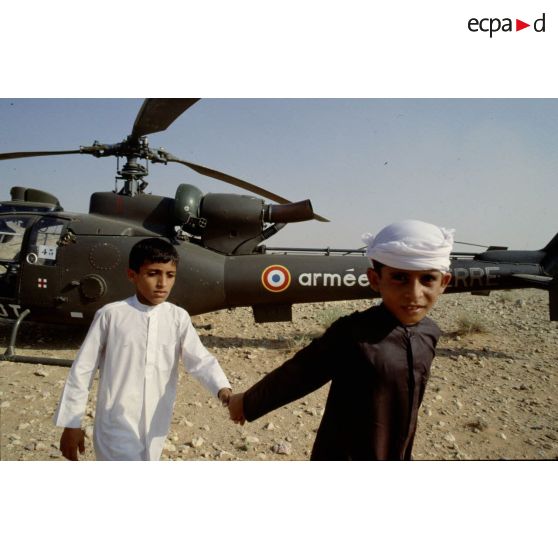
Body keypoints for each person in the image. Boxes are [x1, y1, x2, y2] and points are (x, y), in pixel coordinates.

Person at [228, 220, 454, 460]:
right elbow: (300, 373)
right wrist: (248, 402)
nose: (414, 293)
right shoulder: (353, 333)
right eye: (400, 278)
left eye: (427, 279)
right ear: (375, 279)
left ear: (444, 283)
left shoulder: (430, 332)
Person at [53, 238, 232, 461]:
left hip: (156, 424)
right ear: (132, 275)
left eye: (170, 275)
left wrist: (222, 388)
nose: (162, 283)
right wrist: (71, 424)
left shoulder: (177, 317)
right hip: (115, 423)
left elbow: (200, 360)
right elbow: (82, 371)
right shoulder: (111, 315)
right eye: (153, 273)